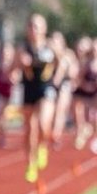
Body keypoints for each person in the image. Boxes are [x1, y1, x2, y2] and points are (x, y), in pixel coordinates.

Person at [18, 14, 57, 182]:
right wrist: (18, 66)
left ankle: (42, 146)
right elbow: (13, 66)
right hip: (29, 90)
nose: (34, 29)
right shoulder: (23, 48)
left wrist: (59, 76)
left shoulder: (50, 46)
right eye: (31, 26)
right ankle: (30, 163)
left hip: (46, 89)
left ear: (44, 29)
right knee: (29, 129)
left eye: (37, 26)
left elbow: (64, 59)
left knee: (43, 124)